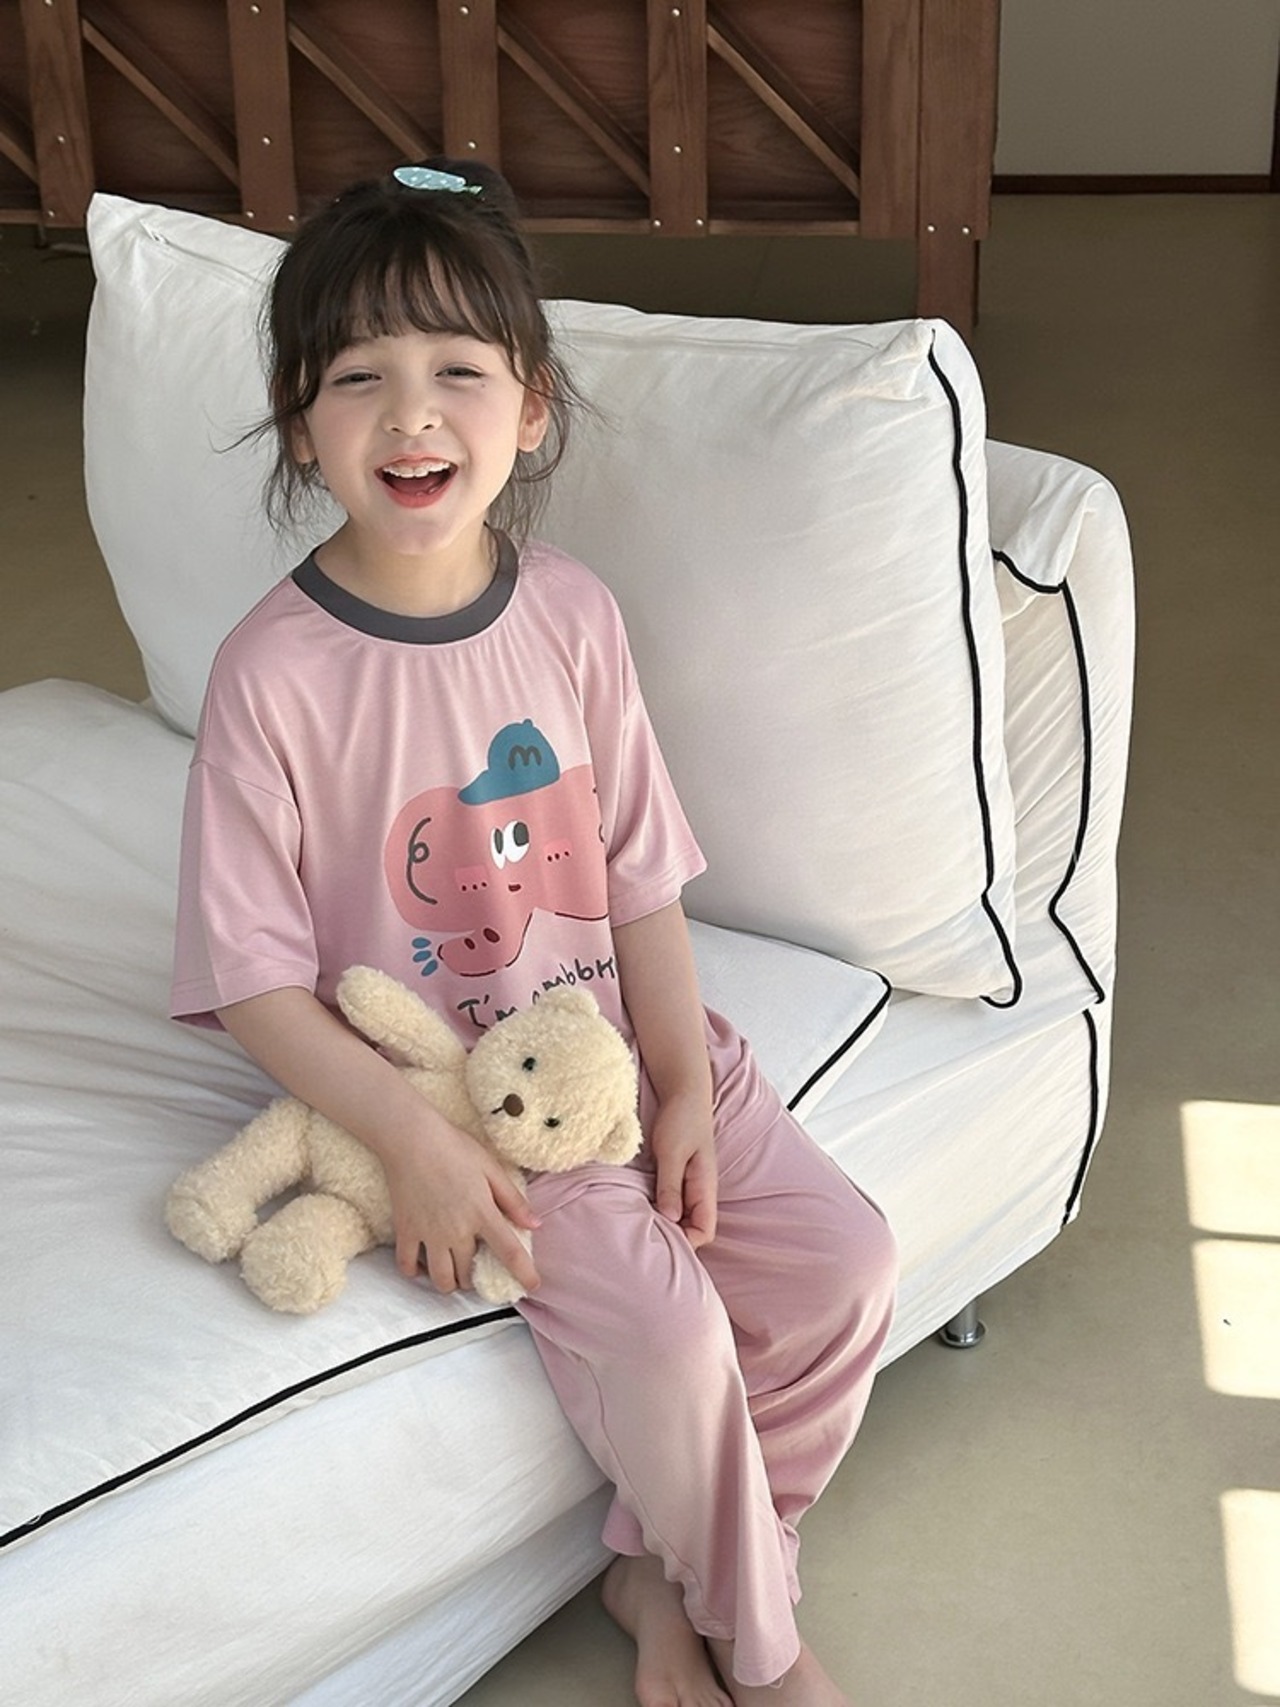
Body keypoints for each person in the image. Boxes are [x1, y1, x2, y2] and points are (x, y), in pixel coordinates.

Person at [170, 159, 898, 1707]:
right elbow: (253, 986)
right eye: (356, 378)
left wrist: (684, 1085)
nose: (411, 415)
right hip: (461, 1105)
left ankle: (662, 1572)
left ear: (533, 406)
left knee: (847, 1268)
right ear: (300, 425)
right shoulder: (271, 677)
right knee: (669, 1337)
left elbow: (638, 877)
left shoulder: (571, 611)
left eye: (457, 370)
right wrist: (418, 1149)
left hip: (624, 1049)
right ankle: (762, 1654)